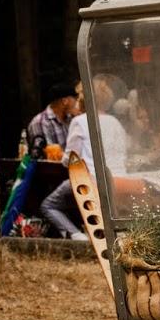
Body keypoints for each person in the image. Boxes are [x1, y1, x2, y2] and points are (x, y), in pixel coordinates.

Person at [39, 74, 129, 239]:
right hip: (118, 180)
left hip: (90, 181)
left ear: (84, 98)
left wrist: (61, 157)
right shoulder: (115, 122)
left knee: (49, 205)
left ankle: (79, 237)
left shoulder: (80, 121)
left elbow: (71, 161)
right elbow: (123, 153)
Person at [26, 83, 77, 154]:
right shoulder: (41, 122)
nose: (77, 103)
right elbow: (48, 155)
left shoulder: (71, 118)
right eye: (75, 99)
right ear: (64, 101)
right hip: (56, 164)